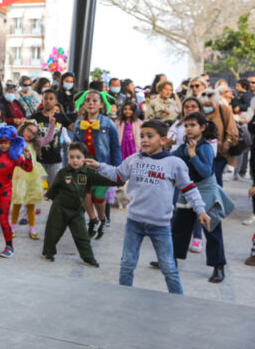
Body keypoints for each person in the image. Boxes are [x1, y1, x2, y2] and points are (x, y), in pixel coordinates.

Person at [88, 120, 211, 295]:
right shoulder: (133, 160)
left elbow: (189, 189)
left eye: (150, 136)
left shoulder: (174, 163)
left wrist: (201, 210)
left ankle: (178, 301)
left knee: (168, 268)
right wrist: (99, 166)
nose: (144, 140)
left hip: (160, 226)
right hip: (134, 223)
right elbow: (117, 174)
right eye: (142, 136)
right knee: (127, 264)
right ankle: (124, 298)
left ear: (162, 140)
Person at [169, 112, 233, 284]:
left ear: (202, 127)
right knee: (179, 228)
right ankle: (171, 260)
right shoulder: (185, 146)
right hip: (188, 191)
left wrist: (193, 155)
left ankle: (218, 267)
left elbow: (205, 172)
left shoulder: (204, 147)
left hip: (206, 193)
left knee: (212, 231)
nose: (188, 129)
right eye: (186, 126)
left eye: (192, 125)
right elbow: (172, 158)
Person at [42, 142, 121, 266]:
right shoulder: (63, 172)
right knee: (53, 231)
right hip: (60, 208)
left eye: (78, 157)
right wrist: (49, 195)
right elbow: (55, 186)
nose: (74, 160)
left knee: (82, 235)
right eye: (71, 157)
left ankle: (88, 257)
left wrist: (119, 181)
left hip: (77, 210)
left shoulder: (89, 173)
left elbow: (103, 179)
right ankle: (49, 251)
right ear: (67, 157)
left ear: (85, 158)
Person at [73, 90, 121, 240]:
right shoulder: (79, 123)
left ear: (101, 104)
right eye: (88, 100)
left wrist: (117, 169)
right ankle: (92, 220)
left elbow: (115, 146)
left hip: (101, 164)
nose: (91, 103)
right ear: (84, 104)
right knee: (84, 193)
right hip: (83, 164)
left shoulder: (108, 123)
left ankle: (102, 218)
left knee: (99, 196)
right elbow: (74, 146)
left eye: (95, 100)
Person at [0, 126, 33, 258]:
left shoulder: (14, 157)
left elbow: (28, 168)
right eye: (0, 142)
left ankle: (9, 246)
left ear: (12, 142)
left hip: (5, 191)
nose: (3, 145)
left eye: (6, 142)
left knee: (3, 220)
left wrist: (28, 157)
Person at [11, 120, 55, 239]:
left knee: (31, 204)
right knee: (17, 203)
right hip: (19, 175)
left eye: (34, 133)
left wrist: (51, 125)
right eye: (29, 130)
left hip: (32, 175)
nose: (30, 134)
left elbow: (48, 138)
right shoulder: (15, 142)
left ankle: (32, 229)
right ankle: (12, 228)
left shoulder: (35, 144)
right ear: (23, 128)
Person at [31, 89, 73, 188]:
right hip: (38, 159)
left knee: (55, 188)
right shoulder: (35, 117)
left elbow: (73, 127)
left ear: (56, 101)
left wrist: (81, 117)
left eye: (51, 99)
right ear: (42, 100)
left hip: (56, 158)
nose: (48, 101)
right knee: (37, 189)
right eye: (45, 98)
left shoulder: (61, 117)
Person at [198, 88, 238, 186]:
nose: (206, 107)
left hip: (220, 154)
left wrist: (227, 142)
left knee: (215, 177)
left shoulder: (223, 109)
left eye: (209, 105)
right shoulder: (199, 112)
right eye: (204, 105)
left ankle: (217, 199)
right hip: (202, 153)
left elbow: (232, 129)